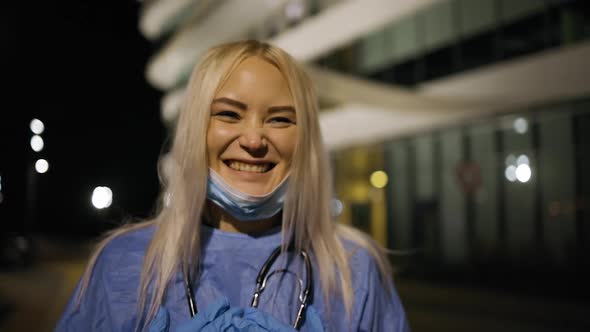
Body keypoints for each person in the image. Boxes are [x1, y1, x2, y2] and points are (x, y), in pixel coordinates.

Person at [56, 40, 410, 331]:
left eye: (280, 119)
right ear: (197, 128)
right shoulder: (124, 264)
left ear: (306, 141)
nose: (254, 139)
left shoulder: (354, 272)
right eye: (228, 114)